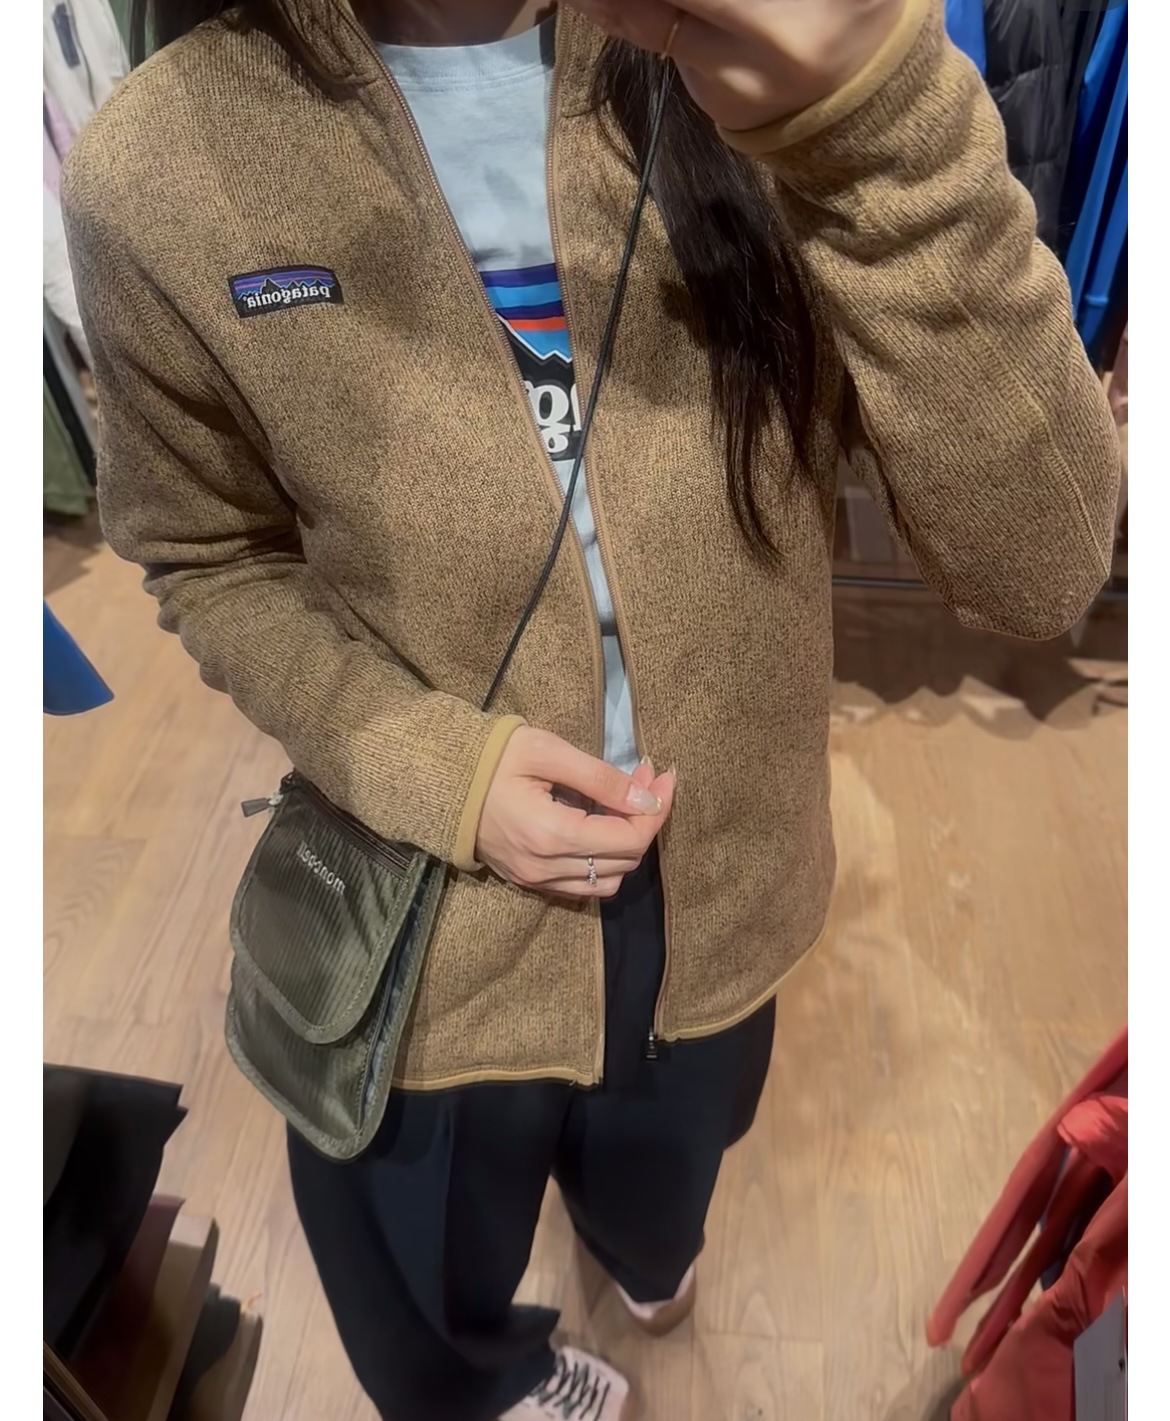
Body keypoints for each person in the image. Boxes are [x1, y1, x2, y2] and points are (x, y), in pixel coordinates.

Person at [62, 0, 1122, 1417]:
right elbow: (208, 554)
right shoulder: (160, 161)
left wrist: (875, 126)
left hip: (727, 876)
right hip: (427, 915)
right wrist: (440, 771)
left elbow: (1039, 559)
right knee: (416, 1261)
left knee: (669, 1169)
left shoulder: (792, 43)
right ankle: (495, 1381)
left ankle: (639, 1249)